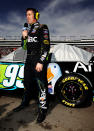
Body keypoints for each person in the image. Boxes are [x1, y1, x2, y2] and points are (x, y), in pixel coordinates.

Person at [13, 8, 50, 123]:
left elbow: (46, 46)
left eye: (29, 14)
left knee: (41, 86)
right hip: (28, 60)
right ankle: (24, 103)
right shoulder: (27, 31)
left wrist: (41, 61)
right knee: (27, 84)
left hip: (37, 59)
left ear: (36, 15)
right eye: (26, 15)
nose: (27, 17)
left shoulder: (43, 27)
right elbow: (24, 47)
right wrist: (24, 36)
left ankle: (43, 110)